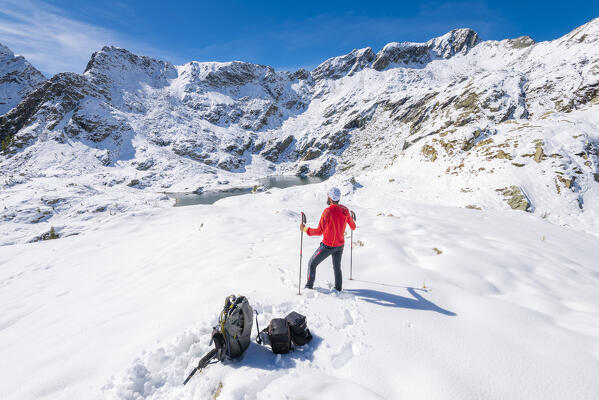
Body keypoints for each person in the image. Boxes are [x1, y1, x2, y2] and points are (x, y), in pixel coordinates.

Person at [300, 187, 356, 291]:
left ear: (330, 198)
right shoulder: (345, 210)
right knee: (337, 267)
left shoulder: (327, 211)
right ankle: (338, 288)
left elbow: (319, 231)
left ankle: (308, 287)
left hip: (327, 246)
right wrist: (350, 218)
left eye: (328, 196)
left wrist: (305, 229)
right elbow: (353, 227)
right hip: (340, 245)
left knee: (312, 263)